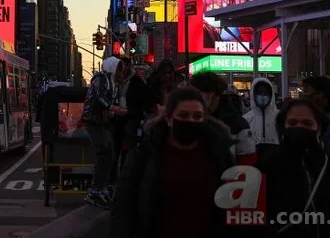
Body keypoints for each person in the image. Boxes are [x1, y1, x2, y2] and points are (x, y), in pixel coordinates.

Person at [111, 87, 236, 238]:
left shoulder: (219, 154)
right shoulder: (144, 155)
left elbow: (235, 206)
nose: (190, 121)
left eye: (197, 116)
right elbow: (123, 207)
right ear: (169, 119)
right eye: (183, 115)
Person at [257, 99, 330, 237]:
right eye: (292, 123)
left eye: (307, 123)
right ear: (283, 126)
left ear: (320, 128)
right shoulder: (265, 167)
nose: (300, 128)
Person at [82, 57, 127, 208]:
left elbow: (109, 101)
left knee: (110, 154)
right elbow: (99, 97)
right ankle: (94, 191)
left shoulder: (114, 83)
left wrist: (114, 110)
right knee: (104, 153)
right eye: (119, 68)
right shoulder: (102, 79)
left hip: (101, 122)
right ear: (113, 67)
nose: (122, 72)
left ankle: (101, 189)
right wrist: (112, 108)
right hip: (93, 121)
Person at [191, 72, 257, 165]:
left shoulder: (237, 124)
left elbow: (248, 166)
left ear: (212, 94)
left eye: (198, 95)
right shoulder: (194, 120)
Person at [243, 78, 280, 159]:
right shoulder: (245, 119)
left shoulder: (280, 117)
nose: (263, 96)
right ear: (253, 94)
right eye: (259, 92)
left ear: (271, 94)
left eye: (266, 92)